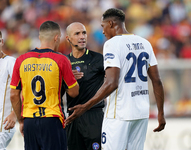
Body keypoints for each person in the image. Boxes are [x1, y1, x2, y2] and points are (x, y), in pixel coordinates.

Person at [65, 8, 166, 150]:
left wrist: (85, 106)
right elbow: (157, 80)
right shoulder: (145, 43)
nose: (103, 31)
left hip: (119, 113)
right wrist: (161, 113)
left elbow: (111, 83)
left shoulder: (112, 44)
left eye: (103, 26)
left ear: (111, 23)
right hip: (141, 113)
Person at [10, 21, 79, 150]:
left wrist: (21, 120)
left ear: (39, 37)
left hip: (29, 120)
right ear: (57, 37)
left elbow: (14, 95)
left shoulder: (21, 59)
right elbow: (74, 92)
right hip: (52, 119)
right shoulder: (61, 59)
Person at [62, 22, 105, 150]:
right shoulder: (64, 61)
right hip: (72, 117)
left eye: (84, 33)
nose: (82, 37)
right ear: (68, 38)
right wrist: (66, 79)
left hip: (94, 116)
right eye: (77, 33)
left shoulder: (98, 59)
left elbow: (112, 83)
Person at [0, 27, 17, 150]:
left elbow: (24, 89)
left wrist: (15, 114)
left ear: (3, 42)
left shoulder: (11, 62)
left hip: (3, 125)